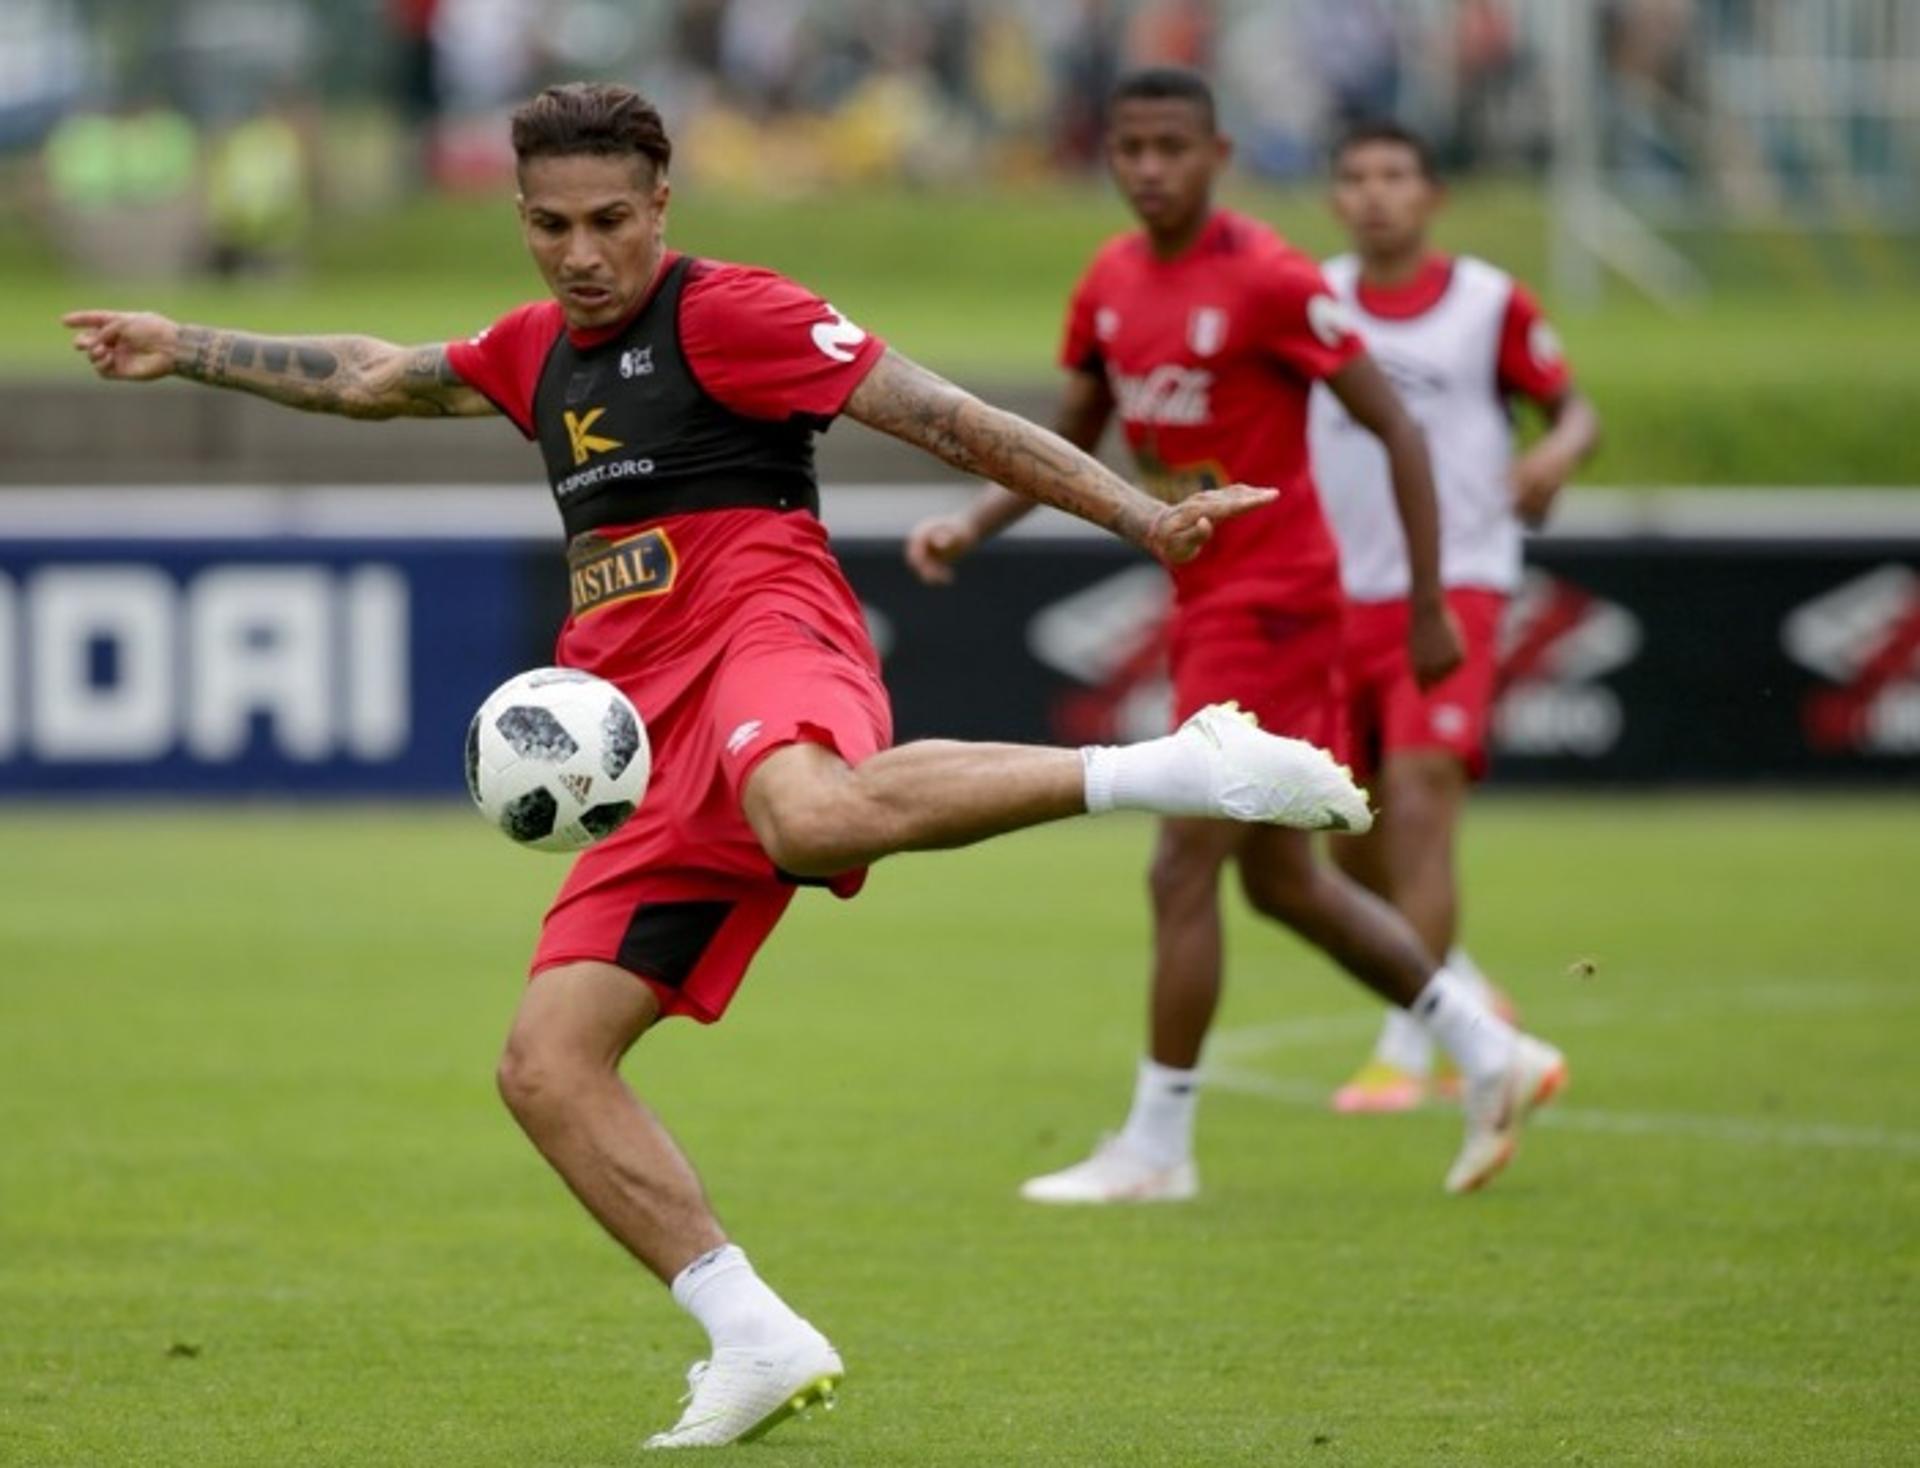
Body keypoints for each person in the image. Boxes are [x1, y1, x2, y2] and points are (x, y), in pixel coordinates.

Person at [62, 82, 1372, 1451]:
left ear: (661, 209)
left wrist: (1144, 517)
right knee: (546, 1066)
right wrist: (185, 344)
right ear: (522, 220)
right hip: (634, 737)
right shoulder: (532, 350)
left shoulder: (730, 313)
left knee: (811, 815)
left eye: (610, 222)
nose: (581, 254)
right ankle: (751, 1332)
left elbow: (946, 418)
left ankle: (1172, 765)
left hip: (765, 634)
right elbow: (382, 375)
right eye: (552, 226)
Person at [905, 69, 1567, 1208]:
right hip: (1210, 603)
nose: (1149, 168)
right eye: (1130, 148)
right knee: (1280, 883)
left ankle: (1158, 1145)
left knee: (1178, 864)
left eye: (1172, 146)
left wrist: (1419, 604)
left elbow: (1397, 427)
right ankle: (1489, 1044)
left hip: (1278, 603)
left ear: (1217, 153)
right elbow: (1073, 436)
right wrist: (972, 521)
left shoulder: (1267, 276)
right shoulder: (1111, 281)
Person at [1312, 121, 1601, 1112]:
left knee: (1424, 799)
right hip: (1330, 596)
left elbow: (1574, 410)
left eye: (1396, 174)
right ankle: (1466, 987)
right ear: (1333, 200)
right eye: (1356, 178)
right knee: (1349, 841)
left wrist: (1554, 455)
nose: (1376, 193)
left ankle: (1411, 1045)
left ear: (1433, 194)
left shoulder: (1487, 304)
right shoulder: (1311, 301)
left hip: (1457, 586)